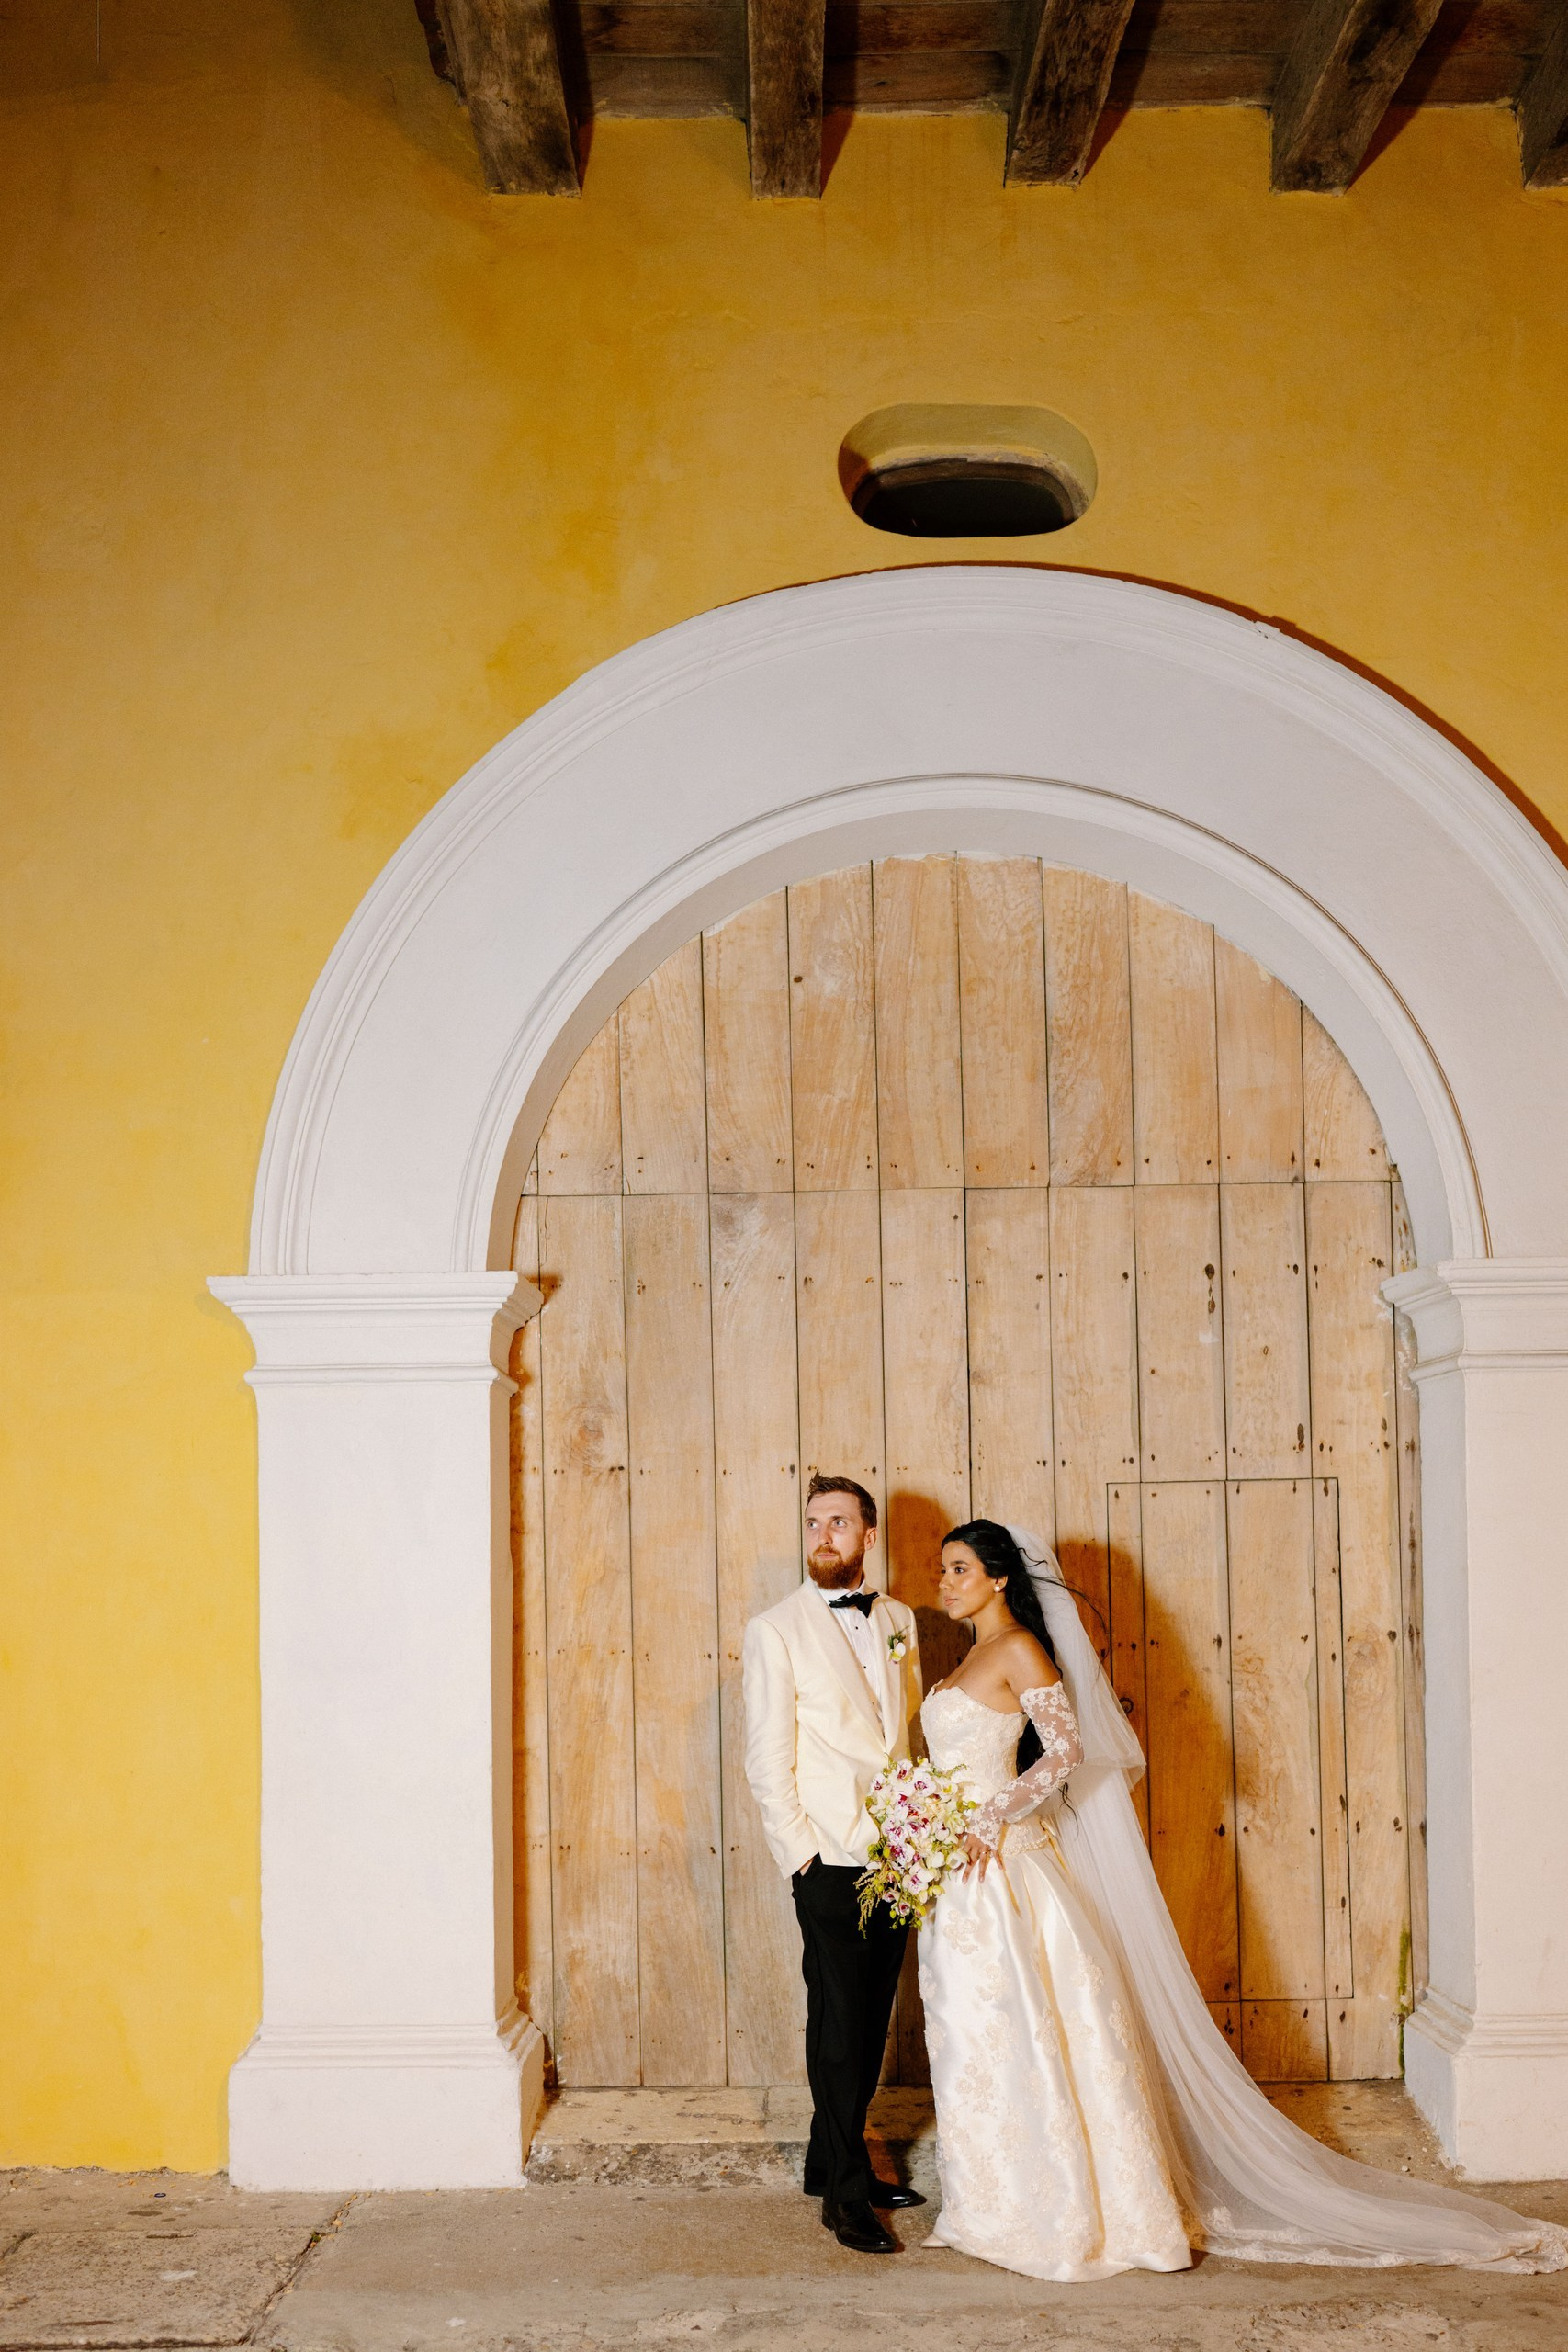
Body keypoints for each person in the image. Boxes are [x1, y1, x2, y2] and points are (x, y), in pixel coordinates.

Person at [916, 1518, 1568, 2280]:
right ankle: (990, 2205)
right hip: (957, 1876)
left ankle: (1064, 2213)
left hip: (1009, 1875)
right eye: (941, 1569)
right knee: (975, 2039)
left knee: (1023, 2032)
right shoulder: (972, 1654)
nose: (944, 1582)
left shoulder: (1020, 1646)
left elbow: (1065, 1749)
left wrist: (992, 1813)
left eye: (958, 1569)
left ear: (998, 1577)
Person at [742, 1474, 926, 2254]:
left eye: (839, 1523)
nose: (823, 1536)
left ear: (867, 1536)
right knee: (844, 2030)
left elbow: (904, 1734)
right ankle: (847, 2196)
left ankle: (828, 2160)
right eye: (813, 1523)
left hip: (898, 1851)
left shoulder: (897, 1618)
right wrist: (802, 1856)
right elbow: (765, 1754)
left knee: (865, 2014)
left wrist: (917, 1832)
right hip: (829, 1856)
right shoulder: (775, 1629)